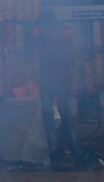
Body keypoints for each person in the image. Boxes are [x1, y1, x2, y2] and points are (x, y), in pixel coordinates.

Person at [35, 11, 83, 168]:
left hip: (48, 81)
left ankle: (55, 155)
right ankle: (76, 155)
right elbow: (71, 59)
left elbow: (39, 57)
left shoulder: (43, 37)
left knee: (49, 121)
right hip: (63, 81)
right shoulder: (66, 35)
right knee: (67, 119)